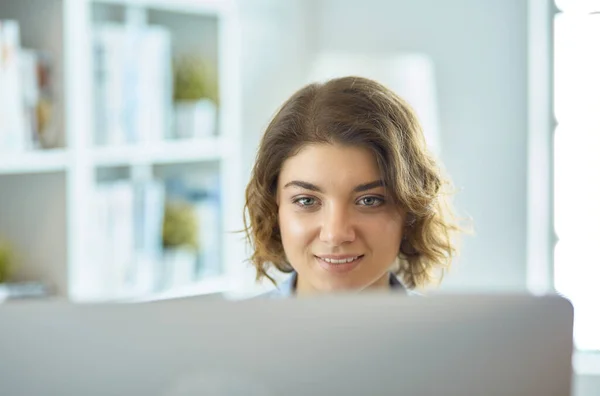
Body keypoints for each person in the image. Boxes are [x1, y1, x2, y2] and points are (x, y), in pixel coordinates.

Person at [243, 76, 461, 297]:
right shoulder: (233, 330)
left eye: (369, 200)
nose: (335, 234)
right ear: (273, 207)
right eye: (306, 200)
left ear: (410, 210)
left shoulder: (455, 332)